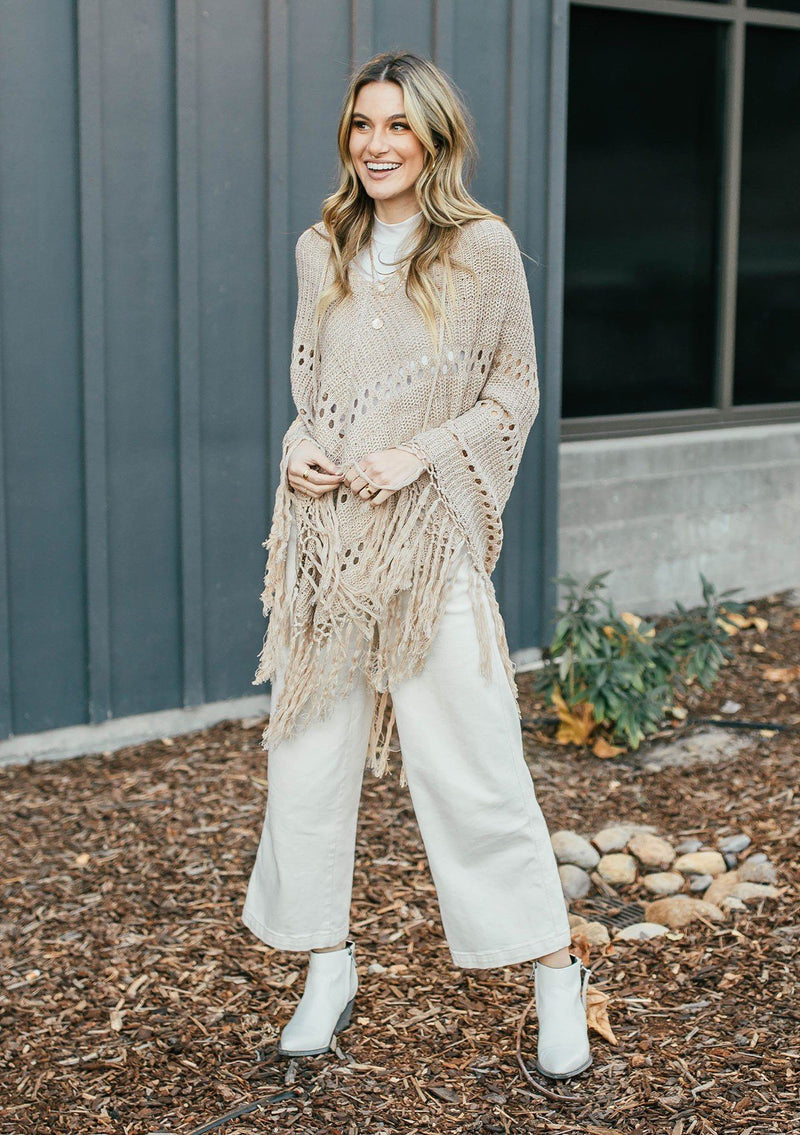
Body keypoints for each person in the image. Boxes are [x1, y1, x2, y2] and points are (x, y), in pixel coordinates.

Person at [242, 51, 592, 1081]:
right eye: (363, 124)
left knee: (474, 767)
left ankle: (553, 970)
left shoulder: (481, 248)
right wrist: (296, 447)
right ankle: (326, 964)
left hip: (426, 542)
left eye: (398, 124)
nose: (377, 143)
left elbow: (514, 391)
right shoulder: (322, 246)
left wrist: (423, 455)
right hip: (326, 545)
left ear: (436, 138)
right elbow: (314, 390)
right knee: (305, 765)